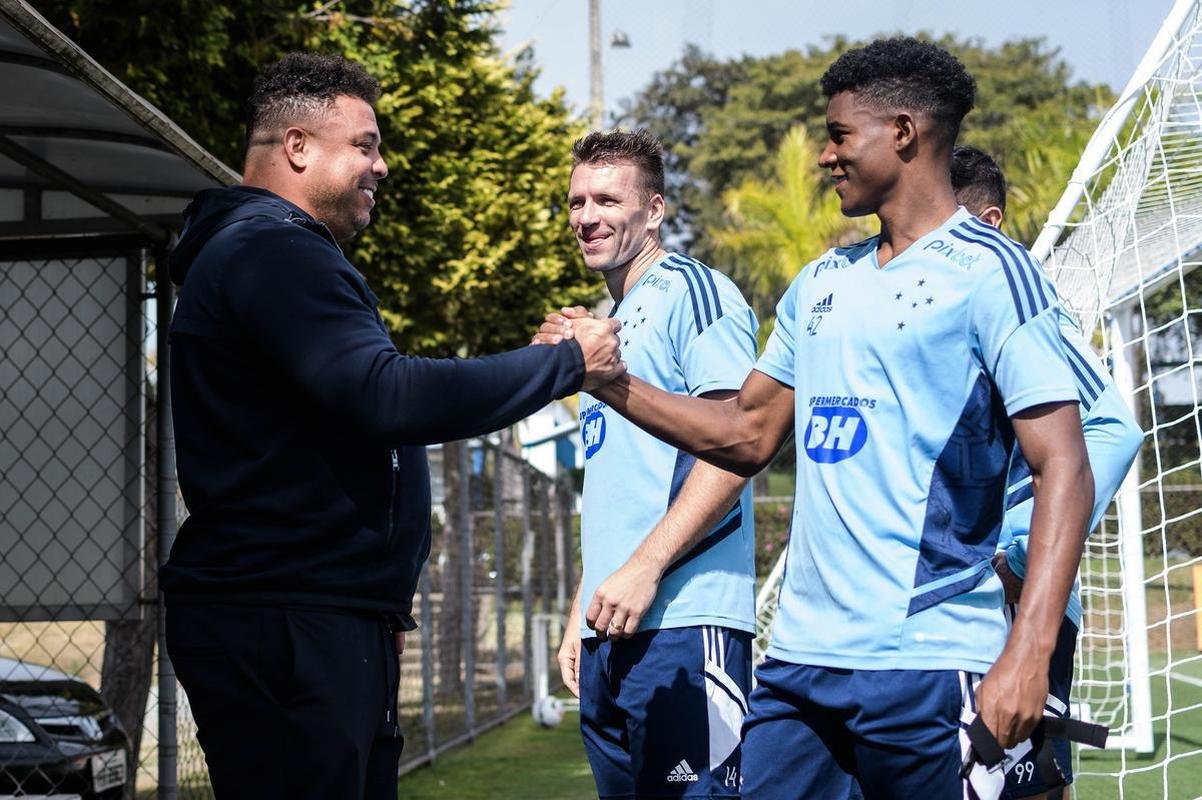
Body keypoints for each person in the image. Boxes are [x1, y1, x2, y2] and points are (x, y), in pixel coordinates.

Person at [542, 38, 1093, 799]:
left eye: (839, 136)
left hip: (929, 658)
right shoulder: (820, 282)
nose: (825, 158)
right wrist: (607, 384)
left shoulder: (992, 271)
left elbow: (1064, 462)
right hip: (800, 666)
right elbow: (744, 434)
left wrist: (1029, 649)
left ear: (902, 133)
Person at [161, 53, 622, 800]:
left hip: (310, 609)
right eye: (365, 145)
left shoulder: (271, 252)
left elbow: (360, 398)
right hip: (289, 617)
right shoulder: (273, 249)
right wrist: (567, 364)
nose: (382, 165)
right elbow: (387, 393)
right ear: (298, 147)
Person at [554, 129, 759, 799]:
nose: (587, 217)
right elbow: (622, 488)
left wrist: (643, 570)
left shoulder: (692, 292)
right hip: (609, 630)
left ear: (655, 210)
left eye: (608, 200)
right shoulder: (608, 326)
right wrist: (578, 614)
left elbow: (736, 445)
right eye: (577, 201)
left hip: (684, 623)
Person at [952, 145, 1142, 800]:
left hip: (1019, 596)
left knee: (1027, 786)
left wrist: (1019, 554)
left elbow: (1116, 428)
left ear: (990, 220)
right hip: (951, 600)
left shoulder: (1027, 311)